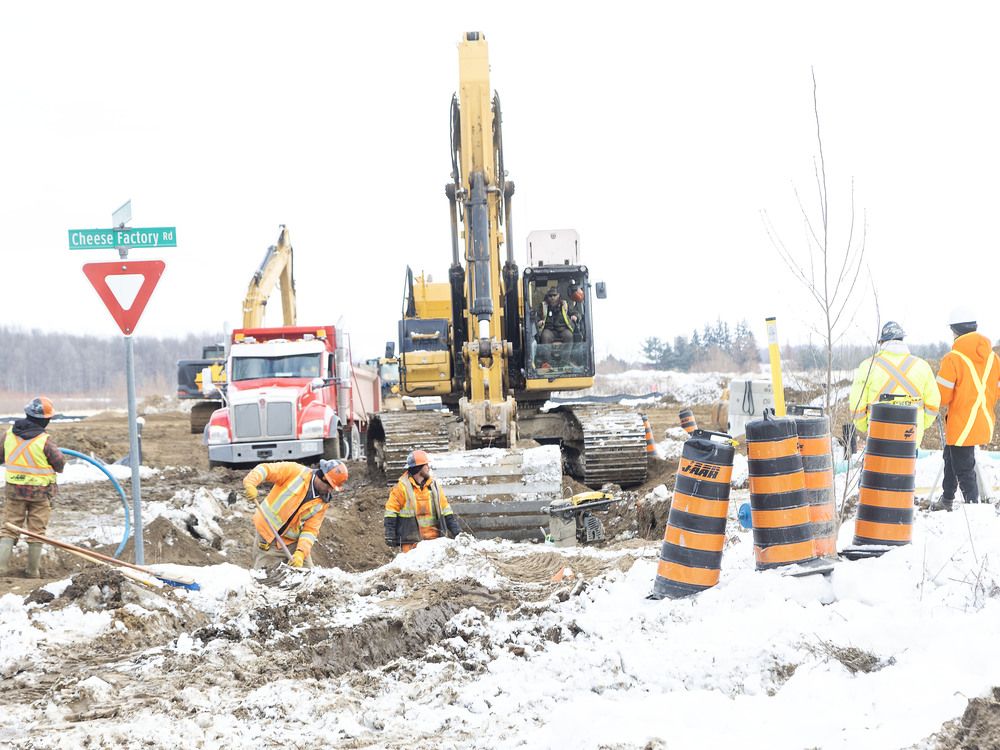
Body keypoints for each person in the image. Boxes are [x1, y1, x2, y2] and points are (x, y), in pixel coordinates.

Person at [933, 308, 1000, 511]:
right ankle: (947, 498)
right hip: (984, 419)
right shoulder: (993, 358)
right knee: (951, 456)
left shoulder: (952, 359)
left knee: (963, 466)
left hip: (961, 421)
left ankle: (974, 508)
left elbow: (942, 397)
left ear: (955, 331)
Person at [0, 397, 66, 578]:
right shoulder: (45, 440)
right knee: (37, 532)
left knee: (9, 529)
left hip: (14, 491)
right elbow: (59, 463)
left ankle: (2, 569)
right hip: (40, 493)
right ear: (45, 420)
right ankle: (32, 572)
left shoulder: (8, 435)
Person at [243, 458, 349, 568]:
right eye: (329, 486)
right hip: (268, 536)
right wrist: (250, 484)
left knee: (310, 579)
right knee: (264, 579)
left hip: (291, 543)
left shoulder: (322, 503)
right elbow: (265, 469)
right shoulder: (295, 472)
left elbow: (310, 530)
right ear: (322, 477)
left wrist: (300, 553)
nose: (329, 490)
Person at [848, 321, 940, 446]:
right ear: (902, 340)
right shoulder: (922, 367)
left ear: (882, 342)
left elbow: (856, 405)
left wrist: (865, 426)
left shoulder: (868, 366)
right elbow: (933, 405)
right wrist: (921, 425)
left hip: (878, 437)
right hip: (911, 438)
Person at [384, 449, 461, 552]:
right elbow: (391, 512)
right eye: (426, 465)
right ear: (419, 468)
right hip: (411, 544)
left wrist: (457, 532)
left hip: (435, 542)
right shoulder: (401, 488)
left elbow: (446, 511)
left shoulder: (435, 487)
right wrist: (390, 534)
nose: (428, 467)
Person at [535, 287, 579, 365]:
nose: (552, 298)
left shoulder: (565, 304)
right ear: (547, 297)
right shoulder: (543, 306)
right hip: (549, 329)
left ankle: (565, 361)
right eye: (550, 296)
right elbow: (536, 316)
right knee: (545, 336)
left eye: (554, 295)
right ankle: (547, 362)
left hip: (563, 329)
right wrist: (539, 321)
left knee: (569, 336)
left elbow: (575, 312)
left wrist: (575, 316)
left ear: (559, 295)